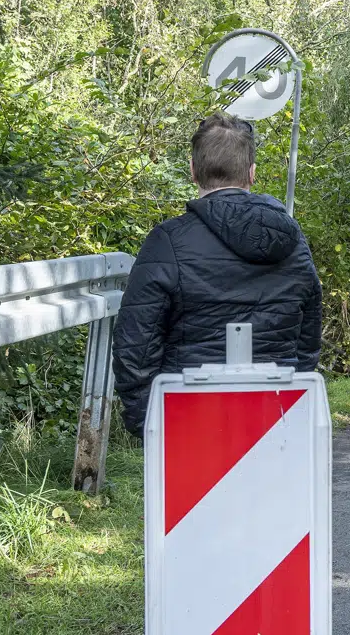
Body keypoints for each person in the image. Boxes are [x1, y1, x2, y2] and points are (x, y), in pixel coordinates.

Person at [113, 113, 322, 441]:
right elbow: (308, 336)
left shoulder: (167, 241)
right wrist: (293, 396)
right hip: (274, 414)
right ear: (252, 174)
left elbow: (135, 341)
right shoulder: (292, 240)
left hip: (187, 419)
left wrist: (148, 421)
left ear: (194, 172)